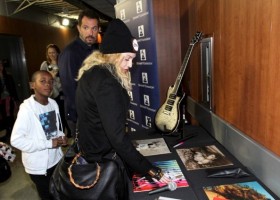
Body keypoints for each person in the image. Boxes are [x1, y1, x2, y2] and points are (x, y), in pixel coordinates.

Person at [75, 19, 172, 199]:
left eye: (132, 59)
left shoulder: (94, 72)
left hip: (91, 151)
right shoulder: (106, 82)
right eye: (126, 59)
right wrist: (150, 169)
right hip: (103, 160)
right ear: (112, 55)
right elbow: (117, 138)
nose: (129, 65)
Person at [10, 70, 67, 200]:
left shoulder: (53, 104)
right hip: (39, 167)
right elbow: (16, 140)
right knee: (47, 196)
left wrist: (61, 136)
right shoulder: (27, 110)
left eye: (51, 82)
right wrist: (48, 143)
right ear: (32, 85)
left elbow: (53, 130)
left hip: (56, 160)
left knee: (59, 193)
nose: (48, 85)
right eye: (42, 81)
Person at [58, 9, 100, 137]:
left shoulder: (96, 49)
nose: (90, 33)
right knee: (84, 154)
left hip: (95, 112)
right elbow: (70, 89)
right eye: (86, 28)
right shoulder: (70, 53)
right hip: (80, 116)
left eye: (94, 28)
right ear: (79, 28)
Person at [40, 44, 71, 137]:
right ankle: (56, 134)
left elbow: (67, 76)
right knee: (53, 115)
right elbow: (41, 77)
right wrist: (50, 77)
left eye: (53, 52)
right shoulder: (45, 64)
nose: (52, 54)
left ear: (57, 52)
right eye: (49, 53)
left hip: (63, 91)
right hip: (51, 93)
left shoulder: (62, 62)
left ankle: (67, 131)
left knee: (64, 112)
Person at [0, 59, 18, 142]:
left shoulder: (8, 76)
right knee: (3, 116)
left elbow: (13, 88)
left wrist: (15, 99)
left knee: (10, 115)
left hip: (8, 98)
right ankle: (6, 132)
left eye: (1, 65)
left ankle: (12, 132)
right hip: (1, 99)